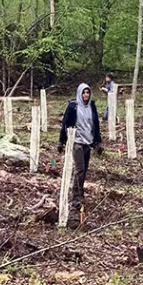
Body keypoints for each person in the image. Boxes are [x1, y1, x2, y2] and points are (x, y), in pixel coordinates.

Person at [58, 83, 103, 211]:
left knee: (84, 170)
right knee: (80, 169)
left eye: (88, 93)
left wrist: (98, 142)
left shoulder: (91, 107)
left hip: (88, 142)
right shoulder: (73, 106)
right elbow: (65, 123)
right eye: (83, 93)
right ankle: (76, 197)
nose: (86, 95)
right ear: (79, 93)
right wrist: (61, 141)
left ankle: (81, 191)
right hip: (76, 141)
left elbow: (96, 125)